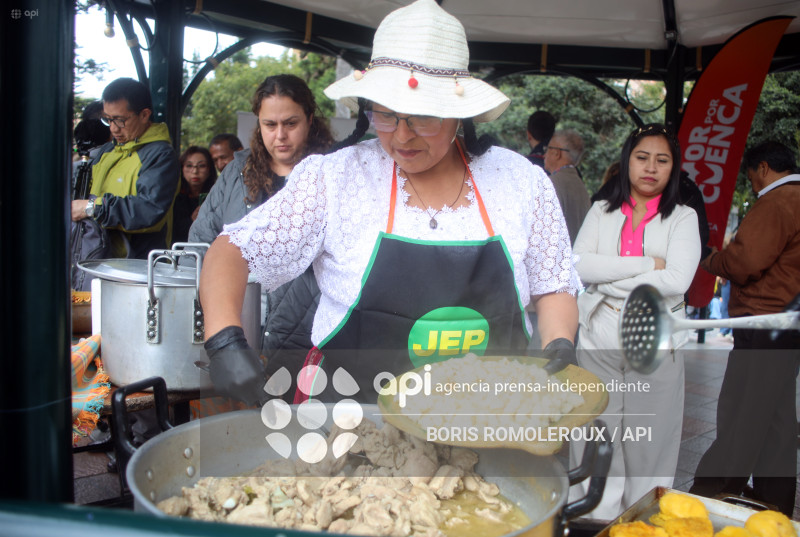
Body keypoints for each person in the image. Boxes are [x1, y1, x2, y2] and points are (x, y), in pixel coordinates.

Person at [197, 0, 582, 407]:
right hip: (350, 415)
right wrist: (223, 339)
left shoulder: (520, 182)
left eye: (422, 118)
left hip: (482, 414)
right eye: (386, 116)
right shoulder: (337, 178)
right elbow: (232, 251)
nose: (401, 137)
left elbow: (553, 285)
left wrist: (559, 344)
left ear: (458, 113)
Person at [569, 123, 701, 519]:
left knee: (650, 437)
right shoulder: (601, 210)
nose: (651, 167)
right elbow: (579, 265)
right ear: (628, 161)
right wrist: (646, 266)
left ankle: (641, 522)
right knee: (597, 428)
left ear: (673, 168)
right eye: (642, 157)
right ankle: (593, 518)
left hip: (656, 338)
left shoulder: (683, 217)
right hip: (599, 333)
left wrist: (610, 278)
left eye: (662, 160)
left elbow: (678, 279)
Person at [690, 141, 800, 516]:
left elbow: (746, 260)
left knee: (743, 411)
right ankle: (775, 500)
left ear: (764, 168)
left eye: (752, 175)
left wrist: (712, 259)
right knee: (778, 418)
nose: (751, 183)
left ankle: (710, 491)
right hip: (786, 323)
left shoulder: (778, 201)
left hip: (762, 320)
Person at [70, 77, 179, 259]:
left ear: (144, 115)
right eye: (108, 120)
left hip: (138, 268)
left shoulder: (161, 155)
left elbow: (148, 210)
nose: (113, 129)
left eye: (120, 120)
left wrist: (91, 208)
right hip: (97, 259)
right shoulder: (108, 150)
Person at [544, 129, 591, 245]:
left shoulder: (551, 184)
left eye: (547, 149)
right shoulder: (580, 185)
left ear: (556, 153)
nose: (544, 154)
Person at [172, 146, 217, 244]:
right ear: (182, 168)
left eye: (201, 166)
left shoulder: (216, 195)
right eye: (189, 165)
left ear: (210, 169)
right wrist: (191, 220)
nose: (195, 171)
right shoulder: (173, 196)